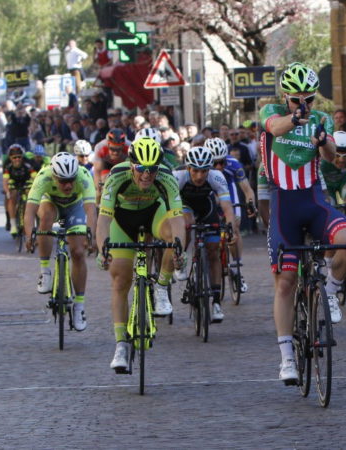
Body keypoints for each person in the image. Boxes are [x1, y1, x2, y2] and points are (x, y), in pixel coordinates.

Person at [260, 62, 346, 383]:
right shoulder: (271, 111)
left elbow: (331, 156)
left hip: (313, 200)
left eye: (310, 99)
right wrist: (295, 118)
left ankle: (330, 290)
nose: (303, 104)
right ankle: (287, 357)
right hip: (284, 205)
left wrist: (323, 140)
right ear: (285, 97)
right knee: (286, 281)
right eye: (296, 99)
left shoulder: (322, 118)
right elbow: (275, 128)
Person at [95, 138, 185, 372]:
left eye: (152, 169)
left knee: (171, 238)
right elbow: (103, 219)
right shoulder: (117, 175)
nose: (147, 175)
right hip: (122, 220)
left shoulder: (166, 177)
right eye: (142, 168)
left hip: (153, 214)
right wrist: (102, 248)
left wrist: (179, 250)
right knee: (120, 280)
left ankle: (162, 287)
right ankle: (121, 345)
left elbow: (178, 219)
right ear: (131, 165)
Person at [24, 152, 97, 332]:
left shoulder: (84, 176)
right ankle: (45, 271)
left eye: (71, 180)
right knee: (45, 218)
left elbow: (91, 211)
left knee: (78, 252)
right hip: (51, 204)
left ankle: (79, 306)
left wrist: (92, 236)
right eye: (63, 181)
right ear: (54, 176)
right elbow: (30, 211)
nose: (68, 185)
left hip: (75, 207)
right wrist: (29, 234)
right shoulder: (44, 176)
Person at [172, 146, 238, 322]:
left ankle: (216, 303)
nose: (200, 176)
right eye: (195, 171)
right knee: (187, 222)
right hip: (184, 206)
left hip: (207, 208)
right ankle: (181, 258)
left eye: (204, 171)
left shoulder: (217, 176)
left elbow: (227, 207)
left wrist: (231, 229)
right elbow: (171, 207)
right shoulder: (178, 176)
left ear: (209, 169)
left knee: (213, 252)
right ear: (188, 168)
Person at [204, 137, 257, 293]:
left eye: (222, 162)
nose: (219, 166)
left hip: (229, 194)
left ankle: (237, 267)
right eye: (215, 163)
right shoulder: (202, 166)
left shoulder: (233, 164)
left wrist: (251, 204)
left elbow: (247, 189)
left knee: (234, 229)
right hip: (210, 195)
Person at [2, 144, 36, 236]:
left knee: (30, 195)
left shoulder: (28, 163)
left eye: (19, 157)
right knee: (11, 196)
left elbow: (35, 177)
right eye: (14, 157)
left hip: (26, 181)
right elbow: (5, 180)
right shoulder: (7, 165)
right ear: (10, 158)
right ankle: (13, 224)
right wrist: (7, 191)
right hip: (14, 181)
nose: (17, 159)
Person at [93, 128, 130, 200]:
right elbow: (97, 171)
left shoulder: (130, 147)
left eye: (118, 149)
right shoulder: (100, 147)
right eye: (112, 149)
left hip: (123, 164)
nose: (115, 152)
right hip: (107, 164)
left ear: (123, 146)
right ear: (108, 144)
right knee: (104, 183)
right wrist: (98, 189)